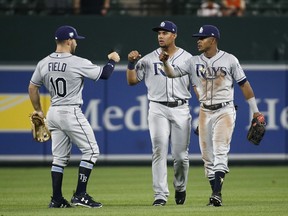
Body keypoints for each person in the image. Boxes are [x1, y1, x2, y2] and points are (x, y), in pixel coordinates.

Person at [160, 25, 265, 206]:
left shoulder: (230, 59)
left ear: (213, 40)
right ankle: (215, 194)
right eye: (198, 38)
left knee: (220, 150)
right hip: (204, 110)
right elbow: (172, 74)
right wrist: (165, 62)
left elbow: (244, 85)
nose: (198, 41)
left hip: (224, 110)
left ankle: (216, 194)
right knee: (207, 158)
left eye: (203, 38)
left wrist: (255, 111)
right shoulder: (193, 61)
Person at [28, 25, 120, 208]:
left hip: (53, 112)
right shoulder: (77, 61)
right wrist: (112, 60)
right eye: (75, 40)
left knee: (59, 158)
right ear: (69, 41)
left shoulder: (43, 62)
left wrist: (38, 110)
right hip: (70, 111)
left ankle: (56, 199)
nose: (76, 42)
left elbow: (32, 87)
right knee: (92, 151)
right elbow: (105, 75)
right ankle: (80, 194)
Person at [126, 21, 193, 206]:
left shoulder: (188, 58)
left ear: (174, 35)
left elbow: (196, 86)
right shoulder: (147, 59)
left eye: (165, 32)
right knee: (159, 150)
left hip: (181, 108)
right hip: (157, 108)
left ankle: (180, 187)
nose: (160, 36)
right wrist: (131, 63)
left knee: (180, 156)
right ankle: (160, 195)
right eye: (159, 33)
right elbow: (132, 81)